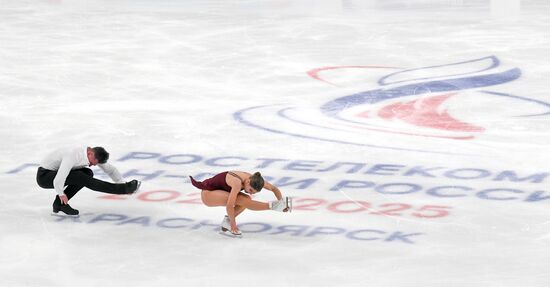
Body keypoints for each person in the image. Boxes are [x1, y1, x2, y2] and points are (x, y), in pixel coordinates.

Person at [36, 146, 141, 216]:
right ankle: (124, 189)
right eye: (94, 162)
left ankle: (59, 205)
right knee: (80, 176)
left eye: (96, 163)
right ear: (90, 153)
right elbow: (59, 178)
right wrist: (61, 193)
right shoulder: (73, 155)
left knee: (87, 173)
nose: (94, 164)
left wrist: (120, 182)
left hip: (55, 174)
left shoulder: (93, 155)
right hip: (44, 176)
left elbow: (111, 170)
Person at [190, 171, 292, 236]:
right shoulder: (236, 183)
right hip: (208, 194)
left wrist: (281, 201)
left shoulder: (255, 180)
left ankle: (227, 222)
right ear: (247, 182)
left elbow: (274, 189)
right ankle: (274, 206)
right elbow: (230, 205)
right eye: (251, 190)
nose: (251, 193)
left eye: (254, 192)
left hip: (218, 192)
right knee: (243, 200)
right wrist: (233, 225)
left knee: (246, 198)